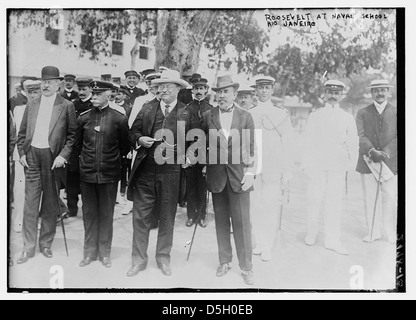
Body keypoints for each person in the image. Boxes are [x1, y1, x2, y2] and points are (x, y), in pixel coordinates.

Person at [126, 69, 190, 277]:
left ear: (178, 89)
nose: (163, 90)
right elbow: (132, 132)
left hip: (171, 173)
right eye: (161, 87)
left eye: (168, 87)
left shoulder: (186, 112)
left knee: (167, 217)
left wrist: (188, 158)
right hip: (146, 170)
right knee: (141, 216)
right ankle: (138, 260)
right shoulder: (147, 108)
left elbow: (196, 141)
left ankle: (163, 258)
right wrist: (139, 140)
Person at [16, 66, 77, 264]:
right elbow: (22, 133)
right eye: (43, 82)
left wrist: (63, 156)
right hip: (32, 156)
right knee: (30, 204)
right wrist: (22, 152)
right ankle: (28, 247)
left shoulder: (66, 106)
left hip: (53, 159)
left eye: (50, 82)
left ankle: (45, 243)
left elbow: (71, 137)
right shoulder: (32, 104)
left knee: (51, 204)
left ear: (58, 84)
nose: (46, 85)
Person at [199, 75, 256, 285]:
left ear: (234, 94)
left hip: (240, 177)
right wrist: (203, 161)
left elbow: (252, 147)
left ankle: (246, 266)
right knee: (221, 222)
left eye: (226, 92)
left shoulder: (245, 116)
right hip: (217, 177)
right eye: (219, 92)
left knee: (242, 223)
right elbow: (200, 142)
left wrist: (250, 174)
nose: (222, 95)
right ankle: (224, 261)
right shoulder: (207, 116)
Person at [75, 80, 130, 268]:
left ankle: (104, 253)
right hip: (87, 174)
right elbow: (77, 146)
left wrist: (112, 163)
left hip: (109, 174)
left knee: (106, 214)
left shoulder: (119, 118)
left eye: (99, 93)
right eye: (94, 93)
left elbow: (124, 146)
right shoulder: (83, 118)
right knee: (89, 214)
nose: (95, 97)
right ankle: (89, 253)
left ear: (109, 95)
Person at [302, 79, 359, 255]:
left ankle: (332, 239)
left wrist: (351, 164)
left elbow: (353, 142)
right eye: (330, 92)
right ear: (324, 94)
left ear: (341, 95)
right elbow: (308, 142)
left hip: (337, 165)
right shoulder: (315, 116)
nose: (333, 96)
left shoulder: (347, 117)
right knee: (314, 199)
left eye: (336, 93)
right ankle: (312, 232)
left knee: (334, 203)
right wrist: (307, 165)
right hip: (318, 165)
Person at [249, 76, 295, 261]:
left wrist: (287, 170)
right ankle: (259, 241)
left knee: (270, 205)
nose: (264, 91)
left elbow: (288, 143)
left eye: (267, 88)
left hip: (273, 166)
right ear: (256, 90)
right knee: (255, 205)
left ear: (272, 90)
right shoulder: (248, 113)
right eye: (260, 88)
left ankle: (267, 244)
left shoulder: (281, 114)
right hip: (253, 166)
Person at [356, 79, 397, 244]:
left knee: (390, 197)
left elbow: (398, 136)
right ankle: (373, 232)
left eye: (383, 90)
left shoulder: (396, 111)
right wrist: (372, 151)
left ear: (388, 91)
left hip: (390, 161)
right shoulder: (363, 112)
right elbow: (360, 134)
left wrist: (385, 152)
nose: (380, 93)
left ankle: (389, 231)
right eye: (376, 90)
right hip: (368, 160)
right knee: (370, 197)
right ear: (371, 93)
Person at [12, 80, 42, 232]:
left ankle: (32, 221)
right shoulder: (18, 110)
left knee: (36, 191)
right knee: (20, 190)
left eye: (35, 92)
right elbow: (16, 134)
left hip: (38, 156)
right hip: (21, 156)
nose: (32, 95)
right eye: (29, 92)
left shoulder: (45, 110)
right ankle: (19, 221)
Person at [184, 74, 213, 228]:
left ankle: (201, 216)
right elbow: (182, 133)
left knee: (202, 185)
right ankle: (191, 215)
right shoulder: (186, 108)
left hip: (205, 152)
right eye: (196, 88)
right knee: (191, 185)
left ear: (206, 90)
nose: (199, 91)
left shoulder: (212, 110)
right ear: (192, 91)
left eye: (202, 88)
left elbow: (213, 134)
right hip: (189, 151)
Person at [65, 77, 94, 218]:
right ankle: (71, 209)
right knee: (71, 179)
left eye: (84, 89)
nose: (81, 92)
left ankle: (89, 210)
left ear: (90, 89)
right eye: (79, 89)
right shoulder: (72, 104)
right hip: (74, 148)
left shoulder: (94, 105)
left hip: (88, 148)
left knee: (87, 181)